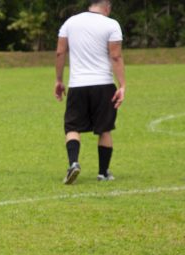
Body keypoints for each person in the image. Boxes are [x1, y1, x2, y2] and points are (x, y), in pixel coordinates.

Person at [55, 0, 125, 184]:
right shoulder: (111, 24)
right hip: (103, 84)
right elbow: (116, 56)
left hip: (77, 85)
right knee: (104, 129)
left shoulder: (70, 22)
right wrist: (122, 85)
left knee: (72, 127)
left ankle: (73, 163)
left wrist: (59, 80)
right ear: (107, 7)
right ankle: (103, 173)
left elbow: (60, 52)